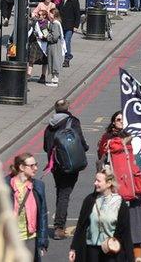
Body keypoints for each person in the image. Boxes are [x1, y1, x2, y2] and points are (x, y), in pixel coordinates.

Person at [97, 112, 141, 262]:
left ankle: (137, 258)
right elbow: (101, 159)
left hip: (133, 188)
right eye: (118, 119)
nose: (121, 122)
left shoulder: (135, 135)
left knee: (135, 228)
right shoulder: (108, 139)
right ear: (113, 122)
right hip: (115, 190)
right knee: (114, 228)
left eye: (123, 119)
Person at [43, 99, 88, 240]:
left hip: (55, 164)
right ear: (68, 107)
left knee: (60, 191)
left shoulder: (49, 126)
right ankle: (59, 227)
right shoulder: (73, 122)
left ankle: (59, 222)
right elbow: (80, 141)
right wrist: (85, 148)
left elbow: (46, 146)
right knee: (64, 194)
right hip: (70, 165)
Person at [69, 167, 133, 262]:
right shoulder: (89, 200)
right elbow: (80, 226)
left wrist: (130, 257)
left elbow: (126, 232)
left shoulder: (120, 203)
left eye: (98, 181)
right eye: (95, 180)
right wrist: (73, 248)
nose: (95, 183)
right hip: (91, 248)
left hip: (110, 250)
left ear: (109, 183)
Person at [7, 153, 49, 261]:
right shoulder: (5, 186)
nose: (36, 168)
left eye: (36, 164)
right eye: (32, 165)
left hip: (30, 237)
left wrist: (43, 240)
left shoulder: (38, 186)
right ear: (21, 167)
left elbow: (43, 214)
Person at [58, 0, 80, 67]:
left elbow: (77, 14)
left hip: (70, 26)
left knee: (67, 41)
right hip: (61, 25)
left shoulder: (74, 1)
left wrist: (76, 25)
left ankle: (67, 58)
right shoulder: (62, 1)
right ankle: (64, 56)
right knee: (62, 42)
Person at [44, 9, 65, 86]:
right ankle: (54, 79)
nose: (48, 15)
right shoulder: (54, 23)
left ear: (53, 14)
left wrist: (47, 36)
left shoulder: (55, 24)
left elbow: (55, 37)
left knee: (54, 61)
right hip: (53, 45)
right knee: (53, 61)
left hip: (54, 46)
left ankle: (55, 80)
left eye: (50, 14)